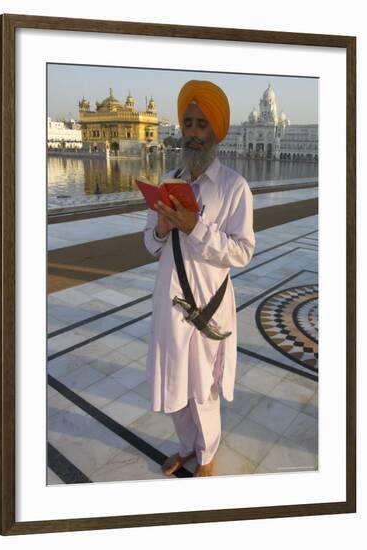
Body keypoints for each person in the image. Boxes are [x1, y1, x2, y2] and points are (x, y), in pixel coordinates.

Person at [143, 80, 255, 477]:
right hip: (170, 303)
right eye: (188, 123)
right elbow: (152, 247)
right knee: (175, 383)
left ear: (215, 131)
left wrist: (195, 227)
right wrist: (159, 227)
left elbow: (242, 251)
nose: (192, 133)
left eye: (201, 124)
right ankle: (186, 447)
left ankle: (206, 456)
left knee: (204, 388)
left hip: (208, 306)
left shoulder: (234, 188)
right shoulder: (168, 180)